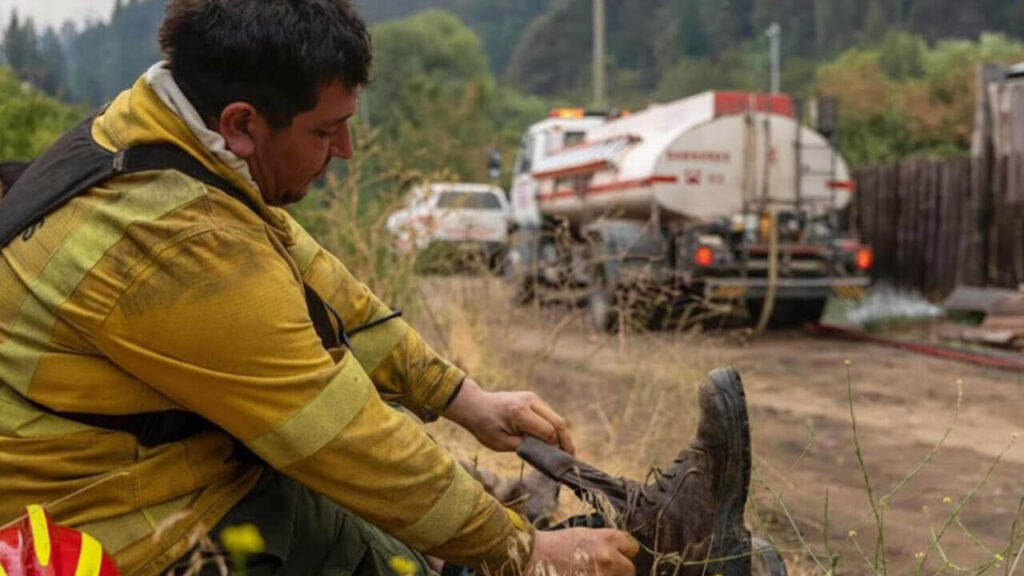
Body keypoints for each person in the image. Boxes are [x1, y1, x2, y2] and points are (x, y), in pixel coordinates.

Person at [0, 1, 638, 576]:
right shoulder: (178, 241)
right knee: (390, 540)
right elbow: (341, 438)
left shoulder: (160, 136)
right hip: (110, 524)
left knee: (400, 523)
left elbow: (326, 285)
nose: (348, 149)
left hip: (153, 461)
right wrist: (523, 555)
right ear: (243, 122)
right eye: (326, 130)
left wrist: (463, 398)